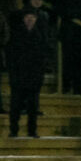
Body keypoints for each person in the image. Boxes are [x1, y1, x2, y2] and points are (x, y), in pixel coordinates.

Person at [8, 9, 50, 138]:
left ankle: (32, 130)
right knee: (15, 106)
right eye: (27, 16)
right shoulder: (16, 34)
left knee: (33, 107)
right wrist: (13, 75)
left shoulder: (40, 35)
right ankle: (13, 130)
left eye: (32, 17)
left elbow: (43, 58)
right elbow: (11, 56)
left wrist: (40, 76)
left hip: (33, 77)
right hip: (19, 76)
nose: (30, 19)